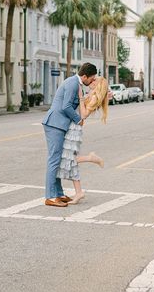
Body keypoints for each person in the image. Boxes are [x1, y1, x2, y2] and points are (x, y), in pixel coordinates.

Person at [42, 62, 97, 207]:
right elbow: (66, 106)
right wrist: (78, 119)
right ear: (84, 76)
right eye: (91, 78)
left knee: (57, 159)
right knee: (54, 160)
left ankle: (58, 193)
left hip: (59, 124)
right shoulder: (73, 83)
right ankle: (50, 196)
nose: (92, 81)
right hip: (55, 124)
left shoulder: (76, 84)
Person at [57, 77, 108, 205]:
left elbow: (84, 115)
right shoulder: (91, 94)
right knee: (71, 161)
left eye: (94, 80)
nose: (91, 81)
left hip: (75, 129)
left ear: (98, 84)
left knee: (70, 159)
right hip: (73, 126)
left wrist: (80, 97)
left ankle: (91, 158)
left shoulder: (95, 97)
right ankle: (79, 192)